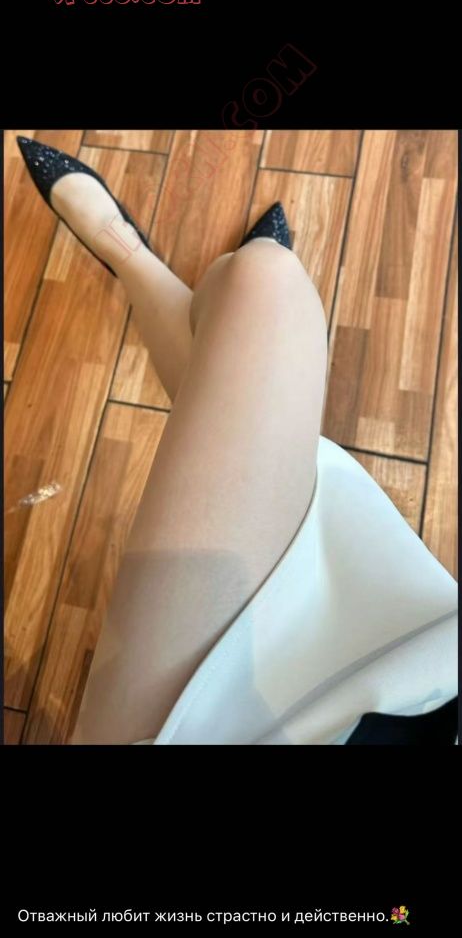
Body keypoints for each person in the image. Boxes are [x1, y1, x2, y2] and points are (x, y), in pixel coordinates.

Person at [16, 136, 458, 746]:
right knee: (263, 281)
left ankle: (129, 255)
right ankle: (147, 273)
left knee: (262, 282)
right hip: (405, 655)